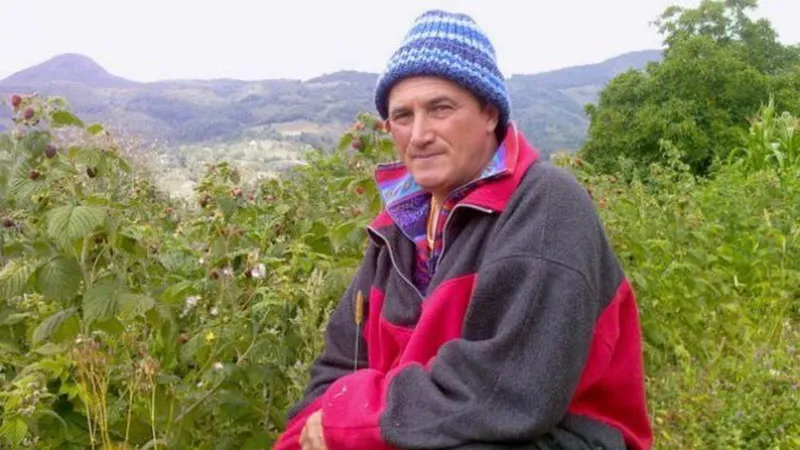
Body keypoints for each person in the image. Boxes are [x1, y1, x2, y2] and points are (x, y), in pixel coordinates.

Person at [275, 9, 653, 450]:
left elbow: (509, 391)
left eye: (440, 109)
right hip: (418, 436)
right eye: (403, 116)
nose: (419, 134)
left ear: (489, 113)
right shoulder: (395, 231)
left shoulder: (545, 205)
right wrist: (302, 437)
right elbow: (336, 368)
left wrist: (348, 424)